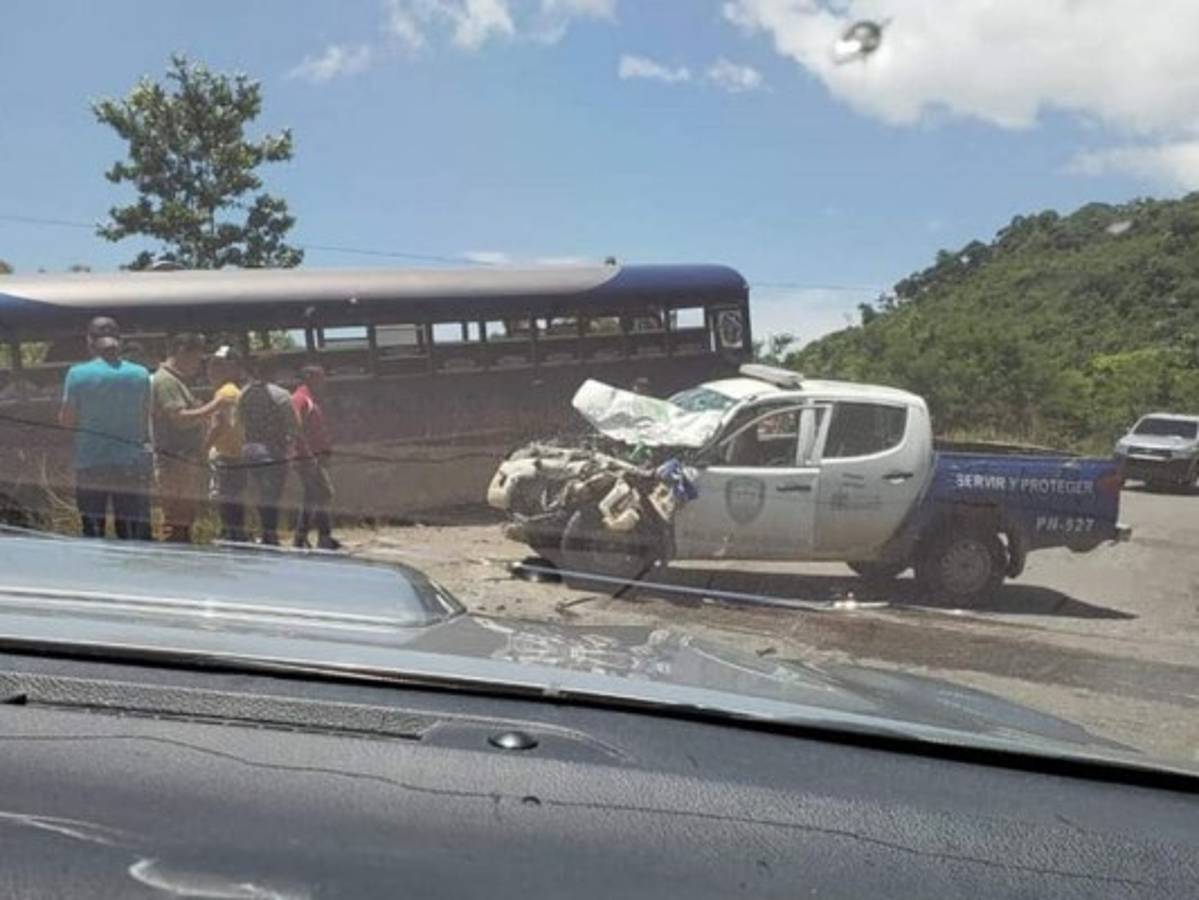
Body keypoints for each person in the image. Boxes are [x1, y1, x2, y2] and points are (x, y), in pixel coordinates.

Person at [59, 317, 151, 539]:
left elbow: (67, 421)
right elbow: (145, 415)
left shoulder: (77, 374)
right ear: (119, 341)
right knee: (130, 528)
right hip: (129, 461)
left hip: (91, 462)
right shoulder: (140, 374)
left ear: (90, 341)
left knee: (93, 528)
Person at [151, 333, 230, 543]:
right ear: (181, 352)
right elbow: (179, 419)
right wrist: (214, 406)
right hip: (176, 460)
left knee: (184, 518)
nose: (199, 364)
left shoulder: (178, 381)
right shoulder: (166, 381)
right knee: (175, 519)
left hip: (185, 460)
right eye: (197, 357)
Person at [239, 357, 299, 546]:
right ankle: (270, 533)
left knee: (258, 493)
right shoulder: (281, 395)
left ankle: (264, 531)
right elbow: (293, 424)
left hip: (249, 449)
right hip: (273, 451)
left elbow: (239, 421)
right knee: (272, 494)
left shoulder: (244, 393)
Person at [291, 364, 340, 550]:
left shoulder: (310, 399)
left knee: (317, 495)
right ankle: (306, 536)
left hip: (315, 456)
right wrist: (307, 454)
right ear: (310, 378)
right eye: (320, 378)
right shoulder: (301, 399)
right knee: (320, 493)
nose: (323, 382)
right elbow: (296, 427)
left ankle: (319, 536)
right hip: (308, 457)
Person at [206, 346, 248, 542]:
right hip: (236, 454)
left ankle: (230, 534)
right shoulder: (234, 391)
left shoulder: (225, 393)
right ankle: (235, 532)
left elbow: (219, 426)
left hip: (227, 454)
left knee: (225, 498)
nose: (212, 371)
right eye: (212, 365)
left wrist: (202, 448)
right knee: (234, 498)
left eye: (219, 366)